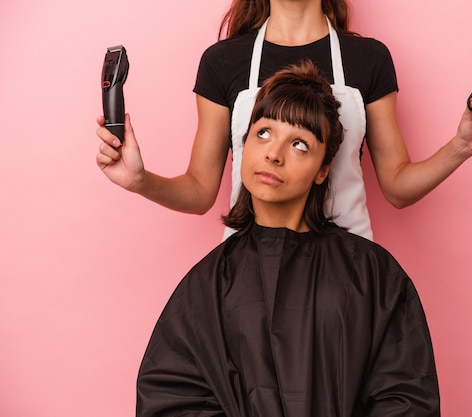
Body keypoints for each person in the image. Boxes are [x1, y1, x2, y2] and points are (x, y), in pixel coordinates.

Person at [136, 60, 440, 417]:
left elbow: (406, 396)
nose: (273, 154)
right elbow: (171, 396)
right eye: (263, 133)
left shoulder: (374, 275)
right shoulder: (207, 284)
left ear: (322, 170)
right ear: (243, 144)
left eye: (299, 144)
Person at [96, 0, 472, 241]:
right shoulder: (222, 62)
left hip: (348, 274)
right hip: (249, 273)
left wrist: (462, 146)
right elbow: (201, 190)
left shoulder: (368, 59)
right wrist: (139, 180)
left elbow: (399, 187)